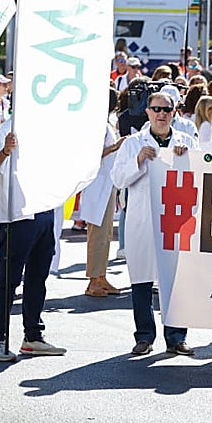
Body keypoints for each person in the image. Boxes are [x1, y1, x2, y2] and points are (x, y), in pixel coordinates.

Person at [110, 90, 197, 356]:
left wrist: (186, 159)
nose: (162, 114)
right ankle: (145, 336)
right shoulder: (133, 144)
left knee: (175, 280)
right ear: (147, 112)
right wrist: (138, 161)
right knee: (142, 280)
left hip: (175, 220)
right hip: (143, 218)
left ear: (174, 113)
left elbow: (201, 176)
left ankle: (177, 336)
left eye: (167, 110)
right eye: (157, 109)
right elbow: (117, 179)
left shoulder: (185, 142)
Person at [0, 122, 67, 361]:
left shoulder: (50, 129)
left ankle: (33, 337)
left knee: (38, 279)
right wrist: (5, 151)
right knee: (8, 281)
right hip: (17, 217)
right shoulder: (6, 129)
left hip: (46, 213)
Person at [83, 89, 126, 297]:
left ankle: (100, 276)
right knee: (97, 233)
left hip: (107, 183)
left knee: (106, 233)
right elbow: (90, 154)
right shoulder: (95, 125)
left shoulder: (106, 123)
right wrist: (115, 147)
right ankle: (93, 281)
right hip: (96, 184)